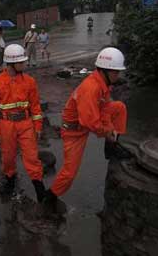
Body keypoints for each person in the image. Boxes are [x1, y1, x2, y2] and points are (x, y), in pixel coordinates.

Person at [44, 47, 128, 212]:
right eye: (116, 72)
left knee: (119, 107)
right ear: (105, 70)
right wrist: (106, 132)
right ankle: (50, 196)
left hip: (85, 123)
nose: (118, 76)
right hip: (74, 132)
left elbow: (104, 108)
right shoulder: (91, 88)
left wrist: (111, 132)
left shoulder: (102, 83)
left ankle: (112, 147)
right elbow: (91, 123)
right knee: (69, 173)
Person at [0, 44, 46, 203]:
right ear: (11, 63)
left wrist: (38, 126)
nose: (25, 64)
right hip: (6, 125)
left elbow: (35, 106)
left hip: (25, 123)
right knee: (8, 157)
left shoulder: (29, 81)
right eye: (22, 62)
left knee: (32, 157)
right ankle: (10, 180)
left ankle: (40, 190)